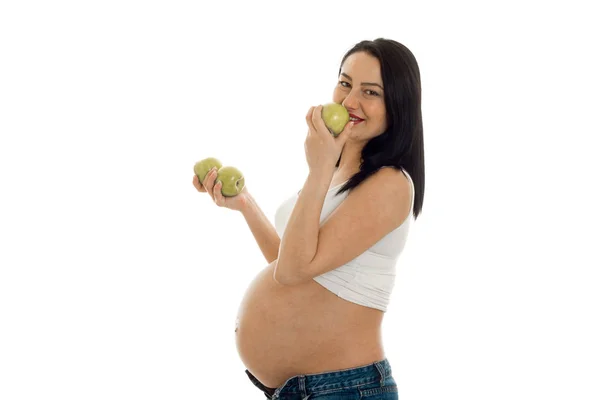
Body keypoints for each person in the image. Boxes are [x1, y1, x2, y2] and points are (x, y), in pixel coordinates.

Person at [192, 37, 424, 399]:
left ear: (398, 103)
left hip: (346, 389)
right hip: (304, 390)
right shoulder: (336, 171)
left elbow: (291, 271)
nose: (349, 102)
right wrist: (245, 203)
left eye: (371, 92)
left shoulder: (391, 183)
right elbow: (291, 268)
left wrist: (317, 168)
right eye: (345, 84)